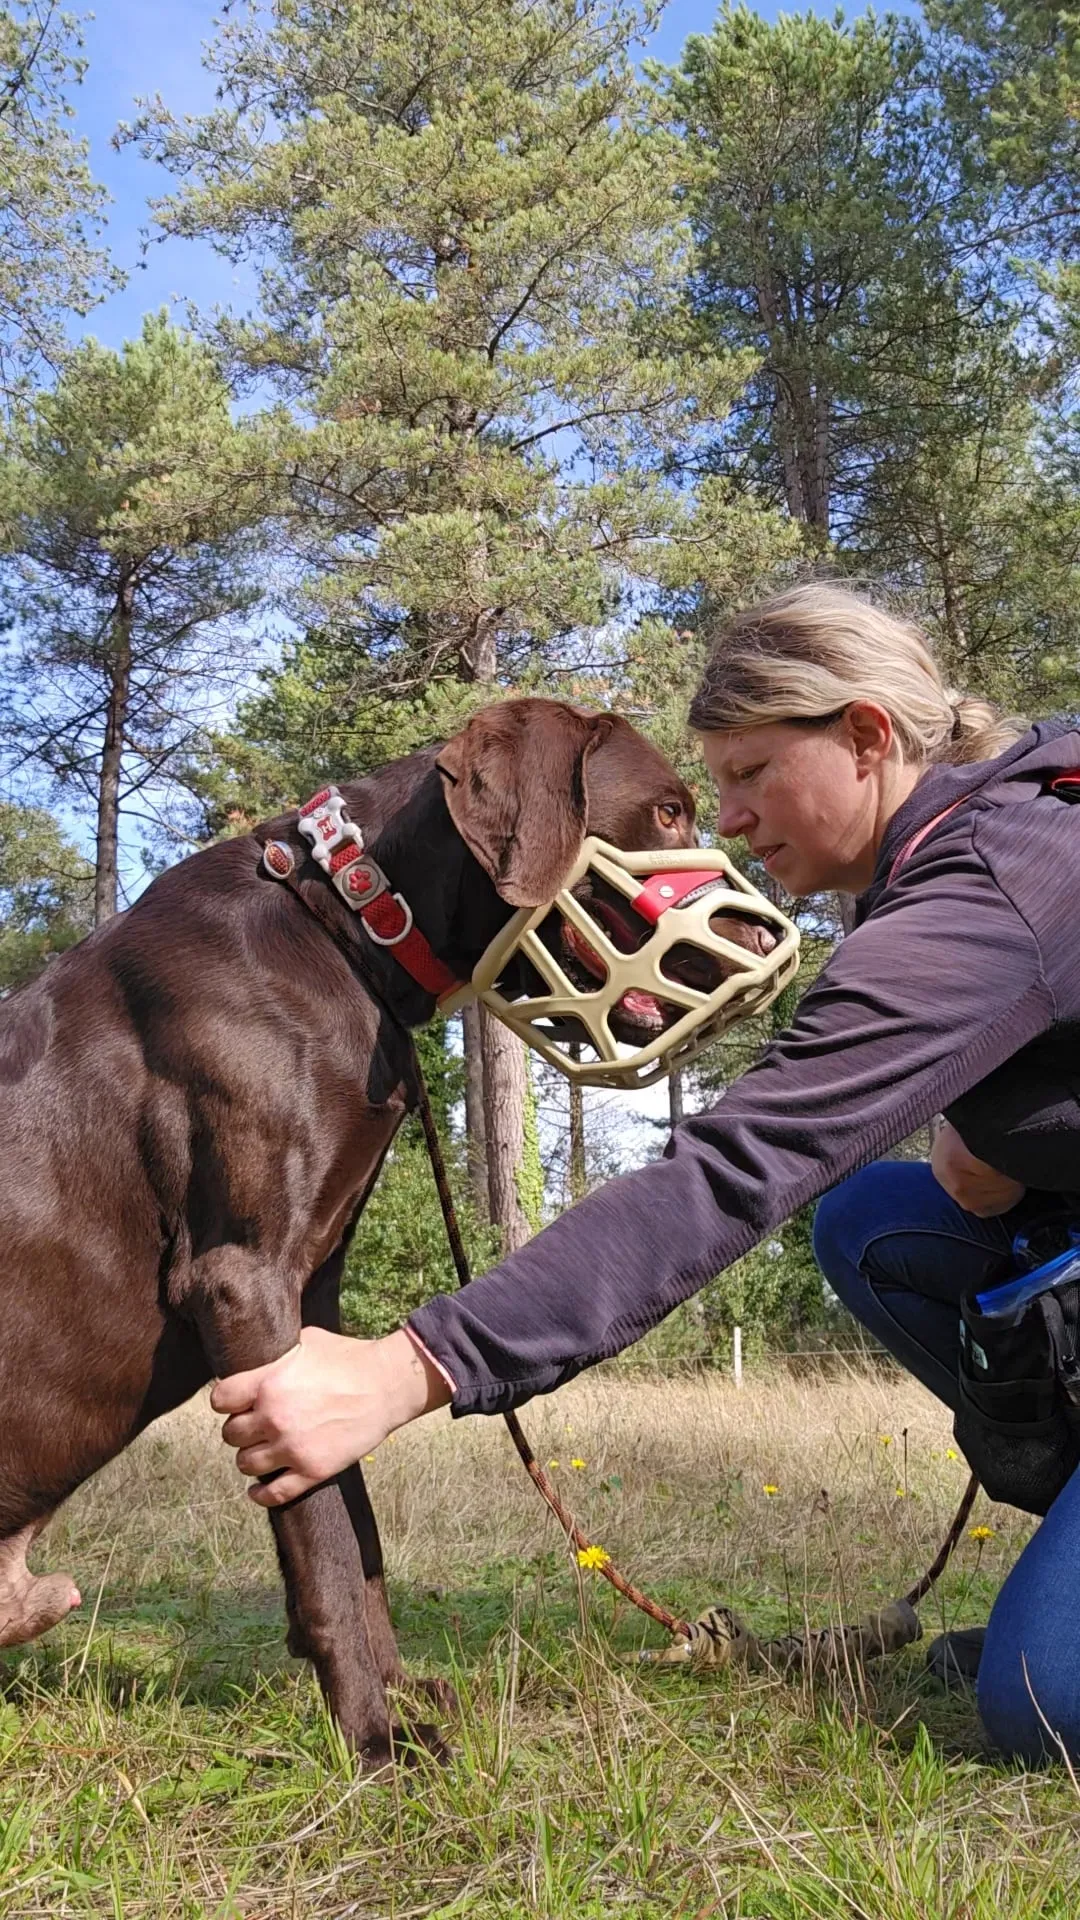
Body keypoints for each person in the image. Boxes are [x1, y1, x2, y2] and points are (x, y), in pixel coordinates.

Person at [212, 581, 1080, 1765]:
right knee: (877, 1217)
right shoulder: (1012, 819)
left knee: (1046, 1703)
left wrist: (409, 1369)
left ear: (868, 736)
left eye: (752, 773)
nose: (728, 820)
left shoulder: (986, 890)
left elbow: (731, 1172)